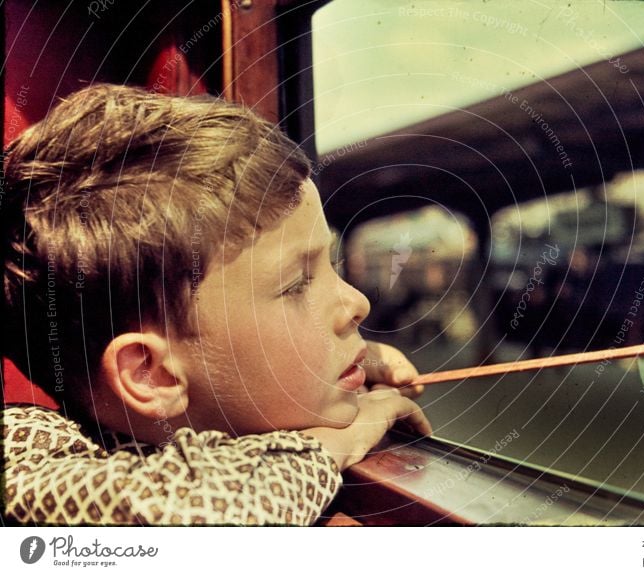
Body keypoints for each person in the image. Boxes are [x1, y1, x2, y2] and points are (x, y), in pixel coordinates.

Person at [2, 83, 431, 525]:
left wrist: (337, 380)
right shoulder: (24, 452)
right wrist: (336, 439)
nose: (357, 303)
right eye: (296, 285)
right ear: (153, 374)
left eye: (332, 264)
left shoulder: (226, 423)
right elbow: (194, 513)